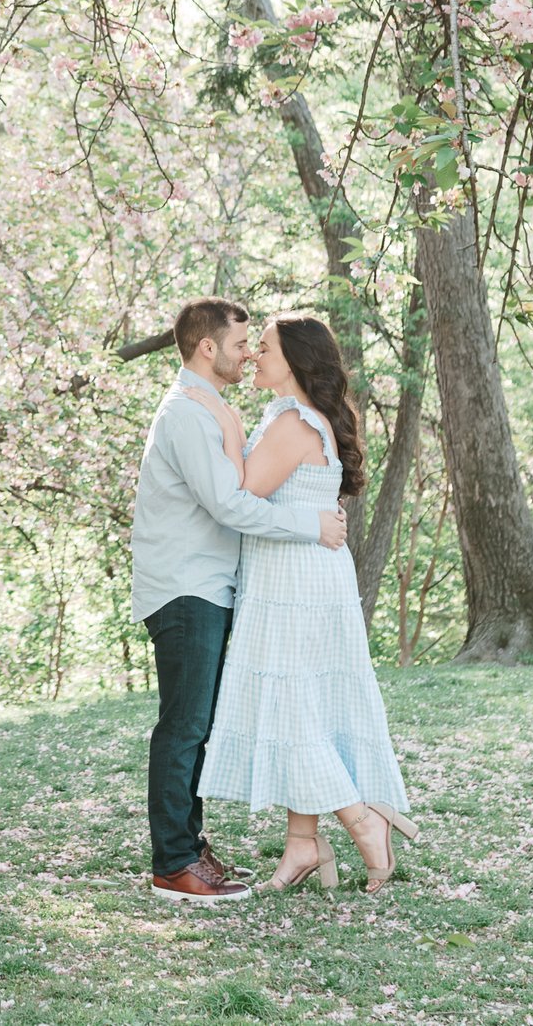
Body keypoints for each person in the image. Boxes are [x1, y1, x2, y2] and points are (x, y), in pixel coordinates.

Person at [132, 298, 349, 906]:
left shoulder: (212, 409)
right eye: (239, 344)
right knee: (184, 726)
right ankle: (174, 862)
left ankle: (189, 848)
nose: (248, 353)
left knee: (195, 725)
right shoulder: (187, 416)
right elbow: (229, 505)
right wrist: (313, 526)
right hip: (184, 585)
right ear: (208, 347)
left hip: (209, 583)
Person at [199, 312, 418, 892]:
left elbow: (242, 492)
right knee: (302, 707)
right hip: (299, 577)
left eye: (263, 348)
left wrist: (218, 422)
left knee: (294, 711)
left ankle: (362, 818)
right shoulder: (288, 417)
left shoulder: (295, 423)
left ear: (293, 362)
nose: (252, 357)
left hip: (296, 584)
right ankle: (302, 844)